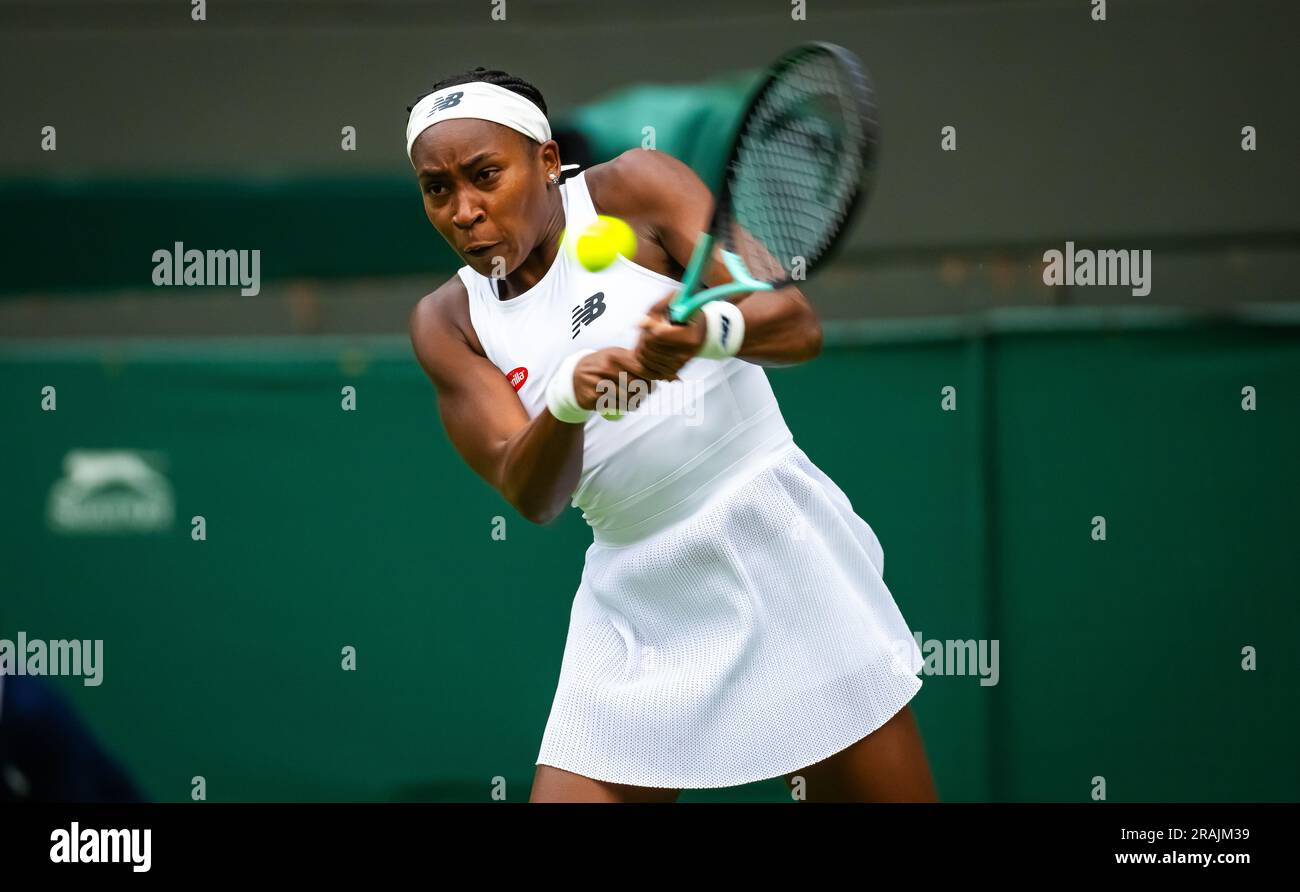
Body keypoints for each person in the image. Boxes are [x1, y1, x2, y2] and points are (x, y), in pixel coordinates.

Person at [406, 67, 937, 803]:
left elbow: (794, 324)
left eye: (485, 175)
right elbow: (530, 493)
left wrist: (709, 333)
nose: (464, 209)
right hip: (635, 601)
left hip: (773, 542)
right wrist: (567, 400)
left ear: (548, 161)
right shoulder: (448, 323)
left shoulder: (634, 189)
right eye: (439, 189)